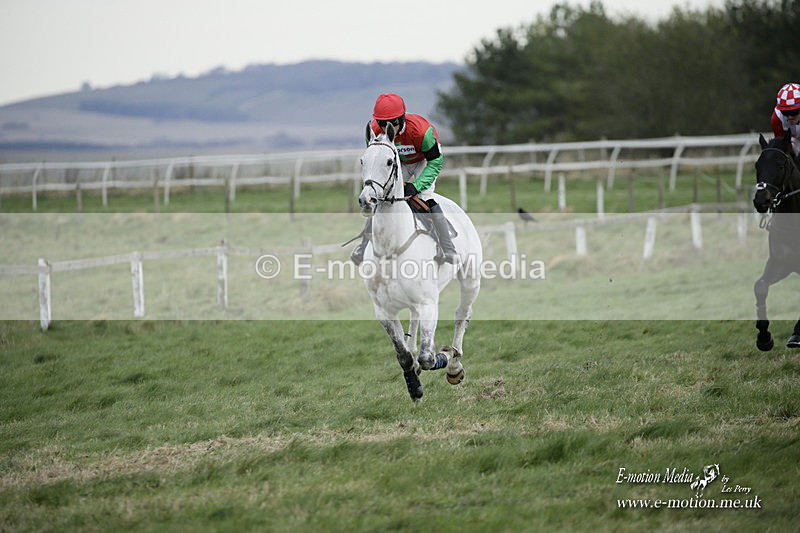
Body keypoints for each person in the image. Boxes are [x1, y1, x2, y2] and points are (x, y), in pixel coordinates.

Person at [351, 93, 457, 265]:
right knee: (379, 197)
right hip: (398, 164)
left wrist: (416, 186)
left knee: (424, 198)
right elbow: (376, 159)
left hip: (424, 161)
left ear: (401, 118)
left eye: (391, 123)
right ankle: (363, 246)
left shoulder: (422, 132)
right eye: (382, 123)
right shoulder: (373, 131)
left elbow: (435, 162)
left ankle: (447, 247)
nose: (386, 128)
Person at [771, 82, 800, 157]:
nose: (790, 117)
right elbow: (782, 146)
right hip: (792, 141)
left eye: (794, 112)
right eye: (785, 112)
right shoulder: (776, 118)